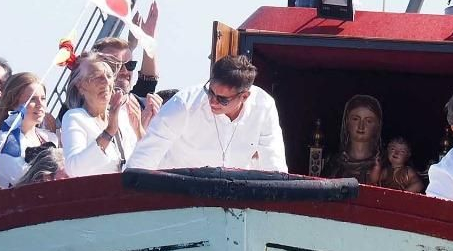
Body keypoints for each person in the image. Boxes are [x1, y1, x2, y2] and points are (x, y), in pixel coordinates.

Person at [126, 54, 287, 172]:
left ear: (244, 96)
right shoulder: (183, 104)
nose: (212, 101)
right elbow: (142, 160)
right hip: (178, 197)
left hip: (233, 201)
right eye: (210, 92)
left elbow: (274, 165)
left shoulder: (264, 106)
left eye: (222, 99)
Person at [0, 72, 58, 189]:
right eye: (32, 99)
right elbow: (21, 178)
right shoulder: (4, 140)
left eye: (43, 98)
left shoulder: (50, 138)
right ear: (13, 103)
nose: (40, 104)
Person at [61, 54, 129, 176]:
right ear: (80, 86)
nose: (106, 82)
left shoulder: (122, 116)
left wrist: (140, 128)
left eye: (108, 76)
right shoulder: (75, 118)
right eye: (97, 77)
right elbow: (74, 169)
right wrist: (108, 132)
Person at [93, 35, 163, 147]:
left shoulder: (138, 108)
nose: (125, 71)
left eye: (130, 65)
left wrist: (145, 131)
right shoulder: (83, 112)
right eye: (115, 65)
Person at [324, 95, 385, 184]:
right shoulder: (334, 163)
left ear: (377, 125)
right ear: (347, 122)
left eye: (368, 121)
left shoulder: (385, 164)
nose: (361, 126)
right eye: (355, 119)